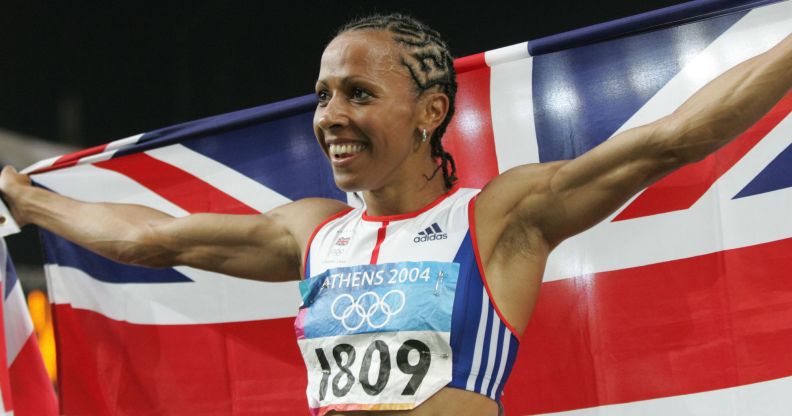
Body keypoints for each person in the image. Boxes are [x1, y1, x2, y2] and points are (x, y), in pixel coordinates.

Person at [1, 13, 791, 416]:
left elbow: (671, 140)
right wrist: (30, 199)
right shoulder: (312, 232)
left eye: (359, 94)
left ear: (430, 110)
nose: (331, 114)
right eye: (323, 95)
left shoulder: (498, 219)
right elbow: (148, 238)